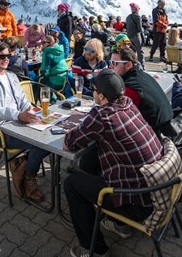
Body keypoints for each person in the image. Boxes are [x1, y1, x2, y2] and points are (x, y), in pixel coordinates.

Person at [63, 69, 163, 257]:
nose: (91, 92)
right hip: (155, 190)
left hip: (137, 203)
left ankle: (96, 249)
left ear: (101, 95)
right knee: (94, 161)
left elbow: (69, 143)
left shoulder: (101, 115)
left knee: (72, 184)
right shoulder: (128, 103)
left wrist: (75, 129)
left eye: (93, 89)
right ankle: (120, 225)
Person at [0, 43, 49, 201]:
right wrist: (18, 115)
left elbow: (22, 100)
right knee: (40, 144)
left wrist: (28, 109)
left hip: (16, 122)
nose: (6, 59)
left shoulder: (11, 76)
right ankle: (28, 178)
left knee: (51, 136)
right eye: (1, 56)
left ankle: (20, 164)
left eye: (8, 56)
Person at [109, 45, 174, 135]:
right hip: (168, 127)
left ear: (128, 65)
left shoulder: (129, 88)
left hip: (155, 136)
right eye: (110, 62)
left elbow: (115, 115)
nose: (110, 66)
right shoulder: (143, 75)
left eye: (114, 63)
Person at [125, 3, 144, 67]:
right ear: (137, 9)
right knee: (139, 51)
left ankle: (132, 64)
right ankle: (141, 65)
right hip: (136, 36)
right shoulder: (137, 16)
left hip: (129, 37)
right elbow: (140, 28)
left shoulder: (128, 17)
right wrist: (143, 37)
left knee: (132, 51)